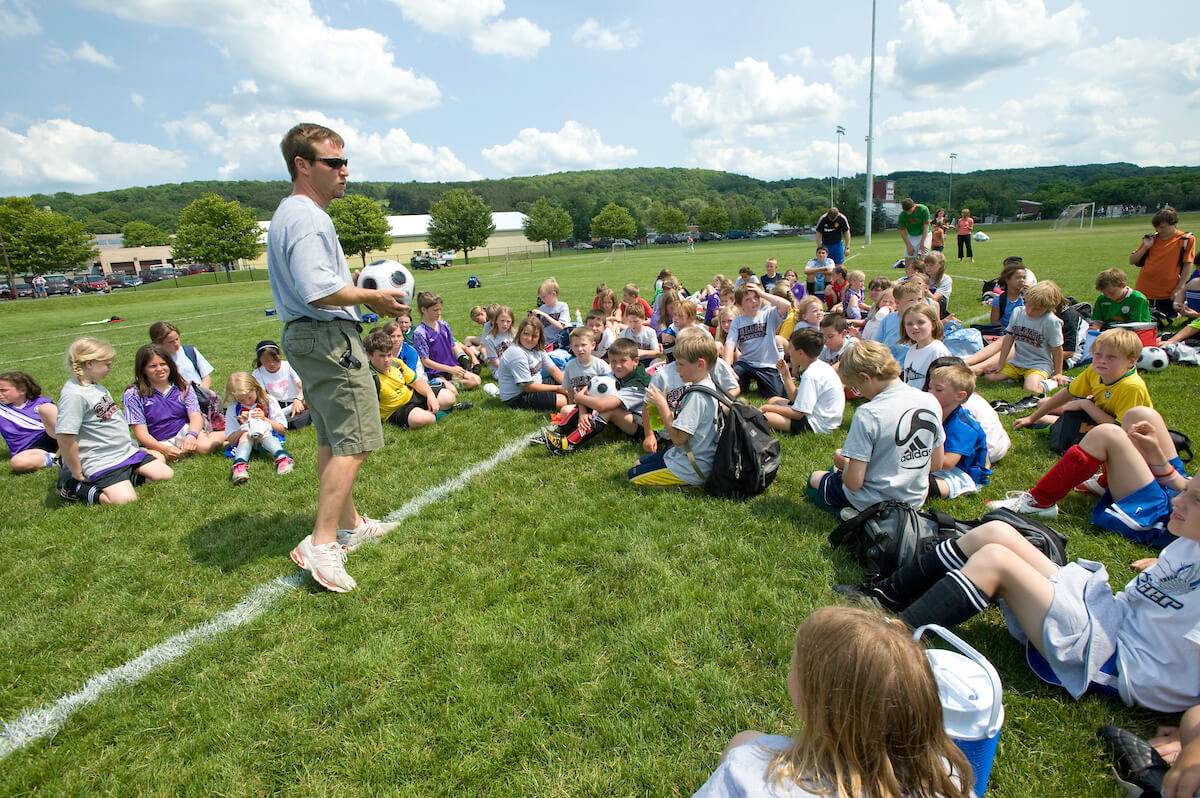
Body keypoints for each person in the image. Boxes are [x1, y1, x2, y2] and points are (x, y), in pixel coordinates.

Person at [841, 448, 1198, 715]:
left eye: (1194, 499)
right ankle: (886, 594)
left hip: (1118, 657)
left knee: (996, 562)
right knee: (997, 531)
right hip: (1108, 616)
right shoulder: (1187, 544)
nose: (1177, 500)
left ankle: (896, 641)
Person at [267, 122, 407, 592]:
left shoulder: (293, 213)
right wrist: (374, 299)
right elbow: (319, 289)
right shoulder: (306, 216)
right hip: (326, 337)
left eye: (346, 161)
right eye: (333, 162)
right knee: (358, 438)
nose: (344, 171)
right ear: (302, 166)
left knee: (331, 436)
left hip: (313, 338)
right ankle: (322, 542)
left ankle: (348, 525)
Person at [692, 606, 972, 798]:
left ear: (821, 705)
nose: (791, 672)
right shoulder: (950, 780)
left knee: (745, 742)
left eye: (796, 668)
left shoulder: (749, 776)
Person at [989, 406, 1184, 545]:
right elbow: (1184, 486)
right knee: (1140, 414)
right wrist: (1155, 452)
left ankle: (1040, 502)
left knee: (1107, 434)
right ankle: (1107, 482)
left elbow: (1186, 494)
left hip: (1174, 518)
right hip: (1182, 490)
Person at [807, 340, 944, 515]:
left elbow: (854, 482)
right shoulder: (930, 400)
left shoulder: (869, 413)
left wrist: (844, 463)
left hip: (873, 502)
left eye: (856, 387)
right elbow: (937, 464)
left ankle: (855, 517)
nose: (860, 393)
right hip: (913, 498)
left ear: (866, 378)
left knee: (816, 478)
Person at [56, 337, 174, 505]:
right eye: (107, 364)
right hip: (101, 459)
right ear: (89, 363)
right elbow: (65, 437)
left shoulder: (93, 385)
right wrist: (76, 471)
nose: (110, 368)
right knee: (125, 500)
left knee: (165, 474)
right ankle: (73, 486)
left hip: (123, 451)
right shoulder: (74, 396)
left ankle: (125, 478)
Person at [628, 332, 721, 487]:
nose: (677, 370)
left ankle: (691, 484)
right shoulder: (706, 385)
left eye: (681, 364)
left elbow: (678, 439)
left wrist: (662, 405)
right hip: (687, 455)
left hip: (691, 467)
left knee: (633, 476)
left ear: (700, 364)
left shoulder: (697, 396)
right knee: (639, 462)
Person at [1014, 327, 1149, 430]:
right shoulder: (1095, 370)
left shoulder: (1131, 387)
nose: (1102, 361)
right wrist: (1032, 417)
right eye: (1098, 355)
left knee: (1043, 419)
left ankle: (1055, 420)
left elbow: (1120, 429)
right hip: (1099, 411)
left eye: (1111, 357)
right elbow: (1069, 392)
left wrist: (1085, 405)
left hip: (1117, 427)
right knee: (1043, 403)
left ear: (1131, 362)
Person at [122, 343, 225, 462]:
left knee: (204, 446)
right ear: (143, 369)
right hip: (157, 440)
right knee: (158, 461)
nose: (159, 369)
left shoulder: (183, 386)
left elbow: (195, 416)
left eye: (163, 364)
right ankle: (143, 451)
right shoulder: (133, 394)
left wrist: (191, 435)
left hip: (183, 431)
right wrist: (163, 449)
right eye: (152, 366)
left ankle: (230, 433)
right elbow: (141, 432)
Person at [545, 337, 648, 455]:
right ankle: (559, 431)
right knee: (593, 397)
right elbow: (588, 389)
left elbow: (602, 405)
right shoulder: (619, 373)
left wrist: (579, 398)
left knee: (608, 409)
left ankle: (568, 444)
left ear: (635, 361)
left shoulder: (637, 383)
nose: (617, 365)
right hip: (627, 416)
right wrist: (583, 412)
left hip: (643, 427)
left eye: (623, 361)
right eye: (613, 361)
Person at [983, 280, 1067, 394]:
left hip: (1038, 364)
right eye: (1028, 304)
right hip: (1018, 362)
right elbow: (1009, 338)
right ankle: (1020, 378)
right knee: (989, 378)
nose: (1030, 310)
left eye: (1037, 308)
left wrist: (1058, 373)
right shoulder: (1018, 312)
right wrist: (1001, 363)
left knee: (1031, 389)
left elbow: (1057, 349)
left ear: (1048, 307)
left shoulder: (1051, 321)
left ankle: (1052, 382)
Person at [761, 328, 844, 435]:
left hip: (819, 424)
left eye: (790, 347)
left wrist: (767, 408)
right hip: (821, 415)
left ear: (800, 352)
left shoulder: (811, 375)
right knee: (774, 400)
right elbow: (796, 399)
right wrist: (786, 374)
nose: (788, 351)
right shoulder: (818, 366)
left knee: (766, 416)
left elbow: (798, 414)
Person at [927, 364, 991, 499]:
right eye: (930, 387)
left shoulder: (964, 426)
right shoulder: (935, 413)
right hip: (936, 466)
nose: (930, 393)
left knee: (918, 484)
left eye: (938, 390)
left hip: (963, 474)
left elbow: (947, 463)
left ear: (960, 396)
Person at [723, 282, 794, 399]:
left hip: (767, 364)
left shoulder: (769, 315)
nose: (754, 301)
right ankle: (743, 384)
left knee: (777, 395)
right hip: (746, 363)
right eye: (748, 299)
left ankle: (762, 384)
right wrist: (727, 367)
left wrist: (762, 293)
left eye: (756, 297)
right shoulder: (738, 321)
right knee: (729, 381)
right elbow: (730, 344)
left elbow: (786, 305)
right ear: (740, 306)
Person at [363, 328, 442, 430]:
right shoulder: (368, 376)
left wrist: (430, 395)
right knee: (420, 419)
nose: (387, 360)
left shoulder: (396, 363)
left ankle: (435, 409)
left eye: (389, 355)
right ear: (369, 355)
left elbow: (416, 381)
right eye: (382, 356)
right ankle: (439, 413)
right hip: (396, 410)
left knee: (448, 397)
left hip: (411, 396)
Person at [223, 372, 294, 484]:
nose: (247, 402)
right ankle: (239, 465)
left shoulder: (269, 401)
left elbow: (282, 430)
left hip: (267, 438)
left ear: (255, 389)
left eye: (250, 397)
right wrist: (243, 426)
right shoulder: (233, 409)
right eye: (241, 400)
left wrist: (264, 419)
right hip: (245, 442)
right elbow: (231, 441)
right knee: (246, 435)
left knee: (262, 430)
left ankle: (282, 457)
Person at [1128, 205, 1195, 317]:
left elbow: (1188, 265)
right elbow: (1132, 260)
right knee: (1142, 318)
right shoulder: (1153, 238)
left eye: (1162, 227)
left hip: (1168, 290)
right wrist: (1146, 246)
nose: (1158, 231)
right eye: (1156, 227)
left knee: (1167, 318)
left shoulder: (1185, 239)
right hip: (1144, 287)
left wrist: (1179, 288)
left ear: (1173, 223)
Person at [413, 291, 482, 391]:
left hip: (452, 368)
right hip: (434, 372)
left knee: (476, 380)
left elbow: (452, 345)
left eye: (440, 309)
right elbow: (425, 361)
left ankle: (449, 384)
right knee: (452, 391)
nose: (439, 313)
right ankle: (444, 385)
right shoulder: (420, 332)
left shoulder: (444, 325)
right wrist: (450, 369)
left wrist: (468, 359)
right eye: (435, 310)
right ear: (423, 309)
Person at [496, 316, 567, 410]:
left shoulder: (538, 349)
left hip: (537, 383)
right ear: (519, 333)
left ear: (539, 337)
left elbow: (554, 371)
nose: (529, 339)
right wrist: (558, 388)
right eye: (526, 334)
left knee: (570, 377)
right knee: (562, 401)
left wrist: (568, 386)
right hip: (518, 395)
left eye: (534, 336)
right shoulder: (517, 354)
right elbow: (527, 387)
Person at [0, 371, 58, 472]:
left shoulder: (42, 401)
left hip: (54, 438)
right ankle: (58, 460)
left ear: (22, 390)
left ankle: (70, 448)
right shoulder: (2, 409)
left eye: (3, 390)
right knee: (17, 462)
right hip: (32, 450)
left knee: (48, 408)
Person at [251, 340, 311, 430]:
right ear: (260, 360)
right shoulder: (257, 373)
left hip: (297, 401)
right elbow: (263, 395)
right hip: (276, 405)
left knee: (310, 400)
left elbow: (303, 386)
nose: (272, 364)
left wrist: (298, 399)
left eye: (275, 360)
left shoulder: (289, 366)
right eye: (266, 361)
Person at [900, 303, 952, 389]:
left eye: (921, 322)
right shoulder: (912, 349)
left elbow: (944, 387)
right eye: (909, 324)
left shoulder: (937, 351)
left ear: (933, 325)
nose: (915, 327)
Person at [482, 304, 515, 373]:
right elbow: (496, 363)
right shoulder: (489, 339)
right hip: (500, 370)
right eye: (502, 320)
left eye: (508, 321)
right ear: (496, 321)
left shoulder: (514, 333)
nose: (505, 324)